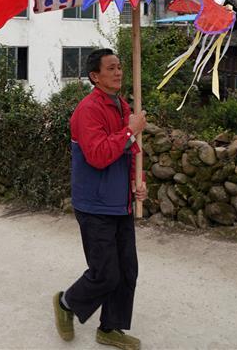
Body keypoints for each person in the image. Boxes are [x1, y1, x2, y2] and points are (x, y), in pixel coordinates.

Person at [52, 48, 147, 350]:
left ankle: (110, 327)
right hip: (94, 205)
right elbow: (98, 155)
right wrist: (130, 130)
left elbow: (128, 153)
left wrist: (138, 183)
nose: (118, 72)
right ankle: (67, 303)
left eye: (119, 67)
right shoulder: (88, 110)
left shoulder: (121, 105)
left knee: (127, 270)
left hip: (120, 202)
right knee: (106, 273)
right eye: (111, 68)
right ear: (95, 76)